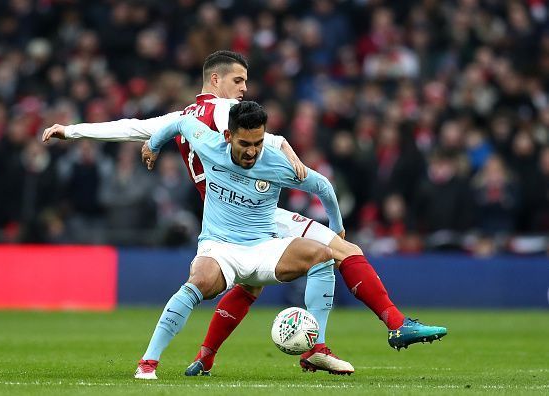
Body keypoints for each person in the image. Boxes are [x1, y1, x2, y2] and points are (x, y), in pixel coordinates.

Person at [43, 50, 446, 377]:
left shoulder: (181, 118)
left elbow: (131, 127)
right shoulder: (220, 111)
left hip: (248, 211)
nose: (244, 89)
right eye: (239, 81)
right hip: (243, 217)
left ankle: (214, 355)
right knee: (333, 253)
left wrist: (73, 130)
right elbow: (256, 136)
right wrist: (286, 146)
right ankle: (365, 332)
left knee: (295, 266)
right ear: (215, 81)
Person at [136, 101, 345, 380]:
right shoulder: (208, 144)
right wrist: (153, 144)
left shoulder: (278, 164)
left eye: (258, 142)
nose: (252, 151)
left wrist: (337, 226)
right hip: (219, 247)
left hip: (264, 248)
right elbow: (179, 123)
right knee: (198, 282)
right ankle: (148, 362)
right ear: (227, 136)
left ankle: (316, 348)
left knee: (323, 255)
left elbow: (323, 186)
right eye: (244, 143)